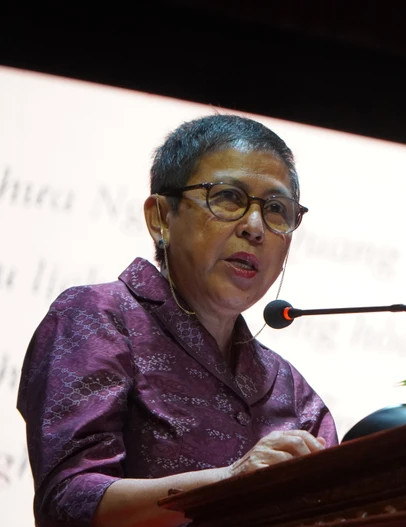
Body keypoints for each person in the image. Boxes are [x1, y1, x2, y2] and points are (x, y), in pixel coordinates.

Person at [16, 114, 338, 527]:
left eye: (277, 209)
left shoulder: (292, 392)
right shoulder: (98, 318)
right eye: (227, 197)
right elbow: (68, 501)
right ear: (161, 218)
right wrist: (230, 481)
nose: (255, 227)